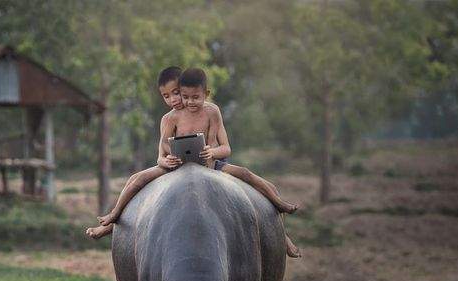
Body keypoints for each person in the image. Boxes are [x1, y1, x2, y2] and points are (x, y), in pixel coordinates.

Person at [86, 67, 301, 258]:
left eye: (177, 93)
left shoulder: (211, 111)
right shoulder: (169, 119)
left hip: (210, 165)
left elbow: (223, 147)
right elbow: (160, 154)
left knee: (249, 176)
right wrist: (166, 160)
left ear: (201, 93)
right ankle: (113, 219)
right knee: (136, 179)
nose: (176, 100)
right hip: (176, 167)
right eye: (167, 96)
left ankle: (282, 229)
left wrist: (212, 152)